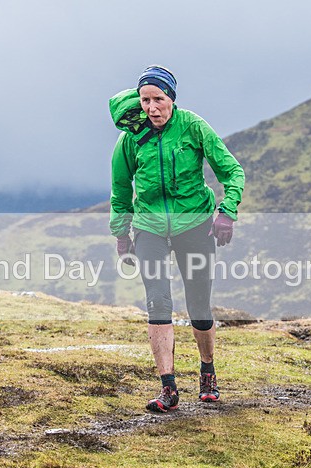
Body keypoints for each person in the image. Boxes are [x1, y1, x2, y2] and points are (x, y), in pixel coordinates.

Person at [109, 66, 245, 412]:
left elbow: (232, 171)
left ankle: (208, 372)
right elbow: (121, 190)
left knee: (199, 304)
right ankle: (168, 388)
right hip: (149, 227)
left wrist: (227, 212)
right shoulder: (129, 140)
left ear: (172, 98)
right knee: (158, 302)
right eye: (145, 100)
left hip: (194, 225)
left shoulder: (193, 127)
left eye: (158, 99)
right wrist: (122, 234)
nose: (152, 108)